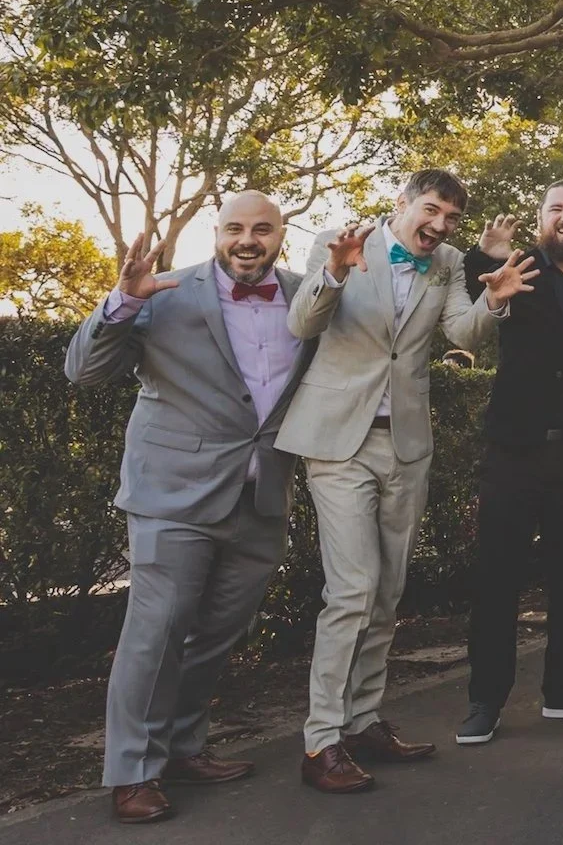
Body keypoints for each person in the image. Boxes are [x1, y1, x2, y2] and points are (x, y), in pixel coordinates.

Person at [278, 169, 530, 793]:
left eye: (451, 219)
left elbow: (461, 332)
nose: (441, 227)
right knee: (353, 589)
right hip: (338, 440)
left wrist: (494, 301)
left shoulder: (445, 263)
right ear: (403, 204)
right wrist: (336, 270)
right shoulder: (340, 241)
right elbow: (302, 325)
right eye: (433, 211)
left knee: (387, 592)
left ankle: (362, 721)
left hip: (406, 445)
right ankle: (321, 742)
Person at [64, 196, 310, 824]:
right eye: (235, 229)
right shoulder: (165, 293)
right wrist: (123, 300)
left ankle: (180, 746)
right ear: (218, 234)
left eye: (262, 229)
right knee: (157, 631)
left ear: (282, 234)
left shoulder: (309, 297)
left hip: (261, 494)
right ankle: (132, 771)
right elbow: (84, 371)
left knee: (217, 633)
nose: (248, 240)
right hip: (172, 493)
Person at [456, 183, 563, 746]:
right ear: (541, 218)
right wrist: (487, 253)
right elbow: (478, 291)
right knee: (497, 576)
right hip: (515, 449)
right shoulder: (516, 267)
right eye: (557, 209)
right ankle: (485, 699)